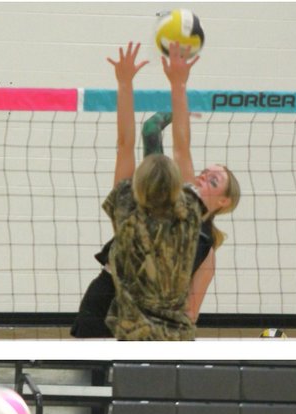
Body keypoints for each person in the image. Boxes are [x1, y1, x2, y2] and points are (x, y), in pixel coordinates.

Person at [71, 42, 239, 341]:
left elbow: (129, 144)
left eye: (212, 180)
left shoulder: (129, 208)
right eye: (202, 174)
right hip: (117, 306)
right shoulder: (188, 214)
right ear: (180, 183)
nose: (201, 178)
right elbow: (179, 147)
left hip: (139, 320)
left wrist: (127, 83)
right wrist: (179, 86)